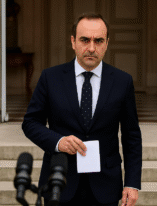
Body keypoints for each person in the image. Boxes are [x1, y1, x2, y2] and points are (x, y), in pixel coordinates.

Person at [22, 13, 142, 206]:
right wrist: (58, 141)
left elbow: (132, 136)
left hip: (106, 186)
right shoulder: (50, 78)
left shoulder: (123, 81)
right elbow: (30, 123)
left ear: (107, 43)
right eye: (85, 40)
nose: (91, 48)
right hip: (59, 183)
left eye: (99, 41)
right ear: (73, 42)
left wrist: (132, 183)